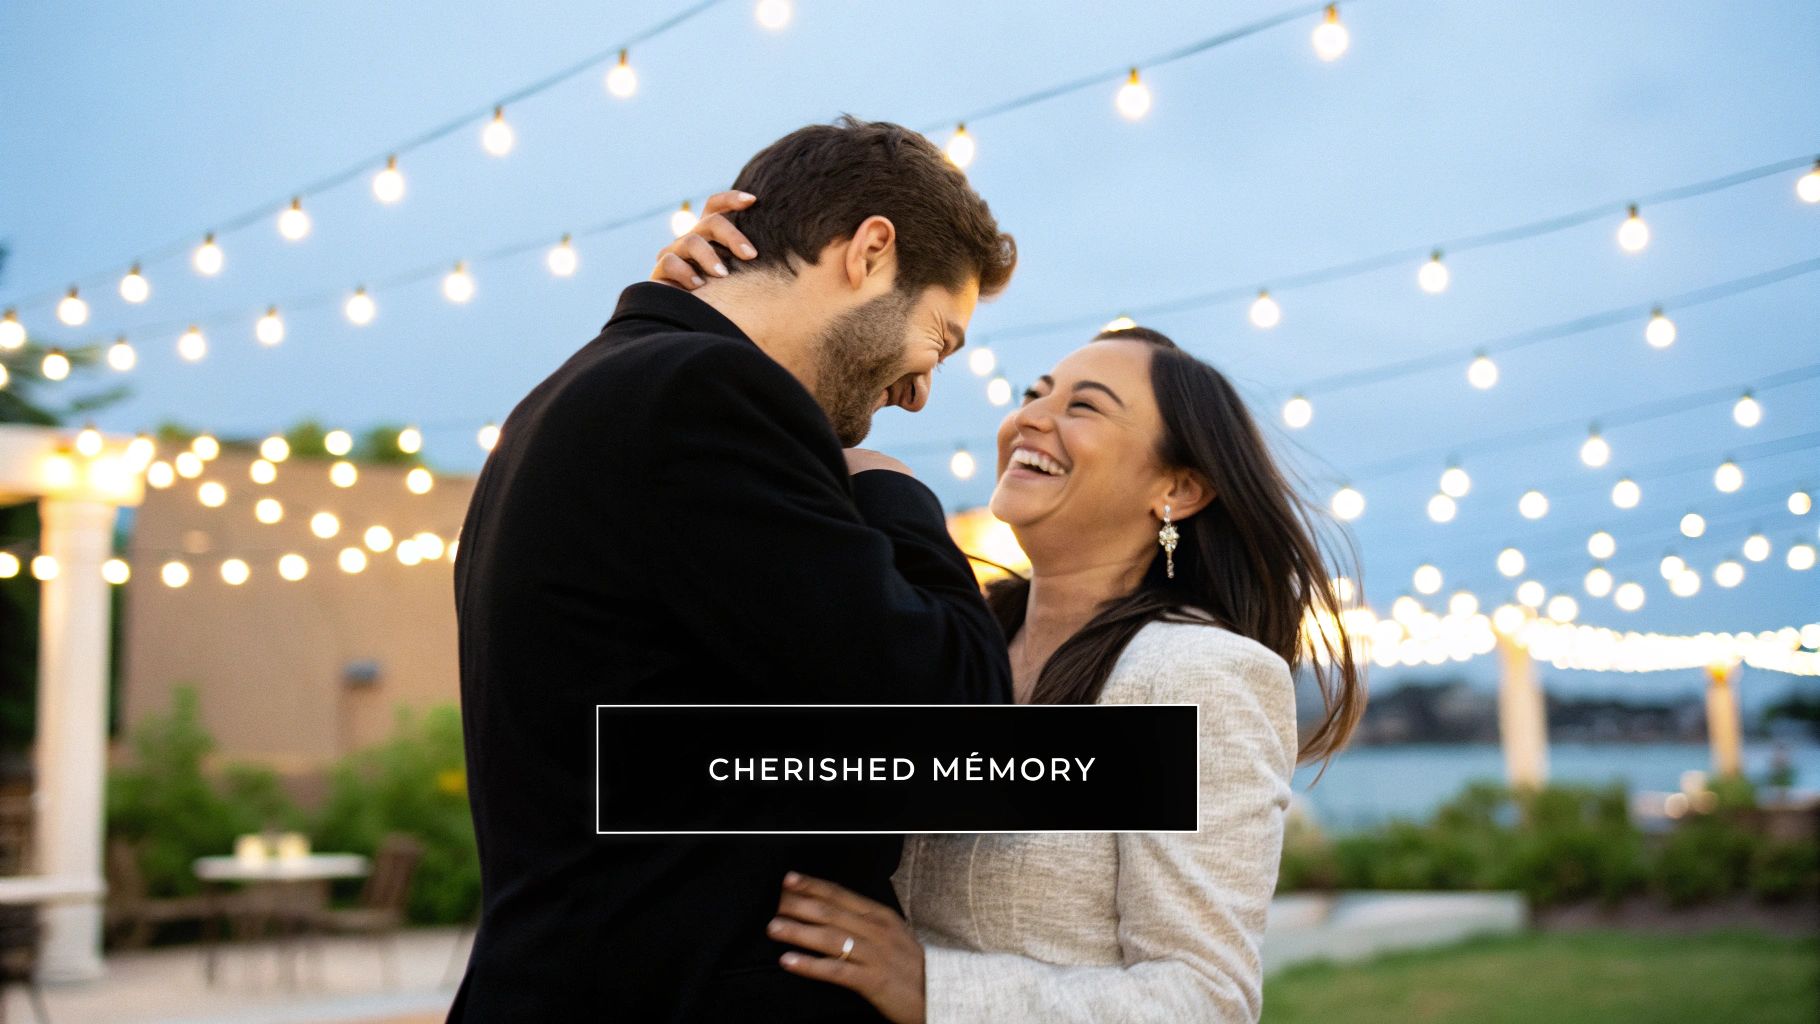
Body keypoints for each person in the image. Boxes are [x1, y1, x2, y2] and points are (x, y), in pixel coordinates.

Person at [649, 214, 1367, 1022]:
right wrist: (725, 318)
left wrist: (933, 988)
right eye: (1034, 394)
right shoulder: (953, 641)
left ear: (1179, 489)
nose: (1031, 418)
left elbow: (1206, 998)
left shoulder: (1199, 677)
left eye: (1085, 408)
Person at [449, 117, 1017, 1023]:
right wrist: (894, 490)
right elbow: (955, 731)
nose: (919, 390)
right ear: (871, 251)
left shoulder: (581, 391)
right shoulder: (705, 396)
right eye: (939, 339)